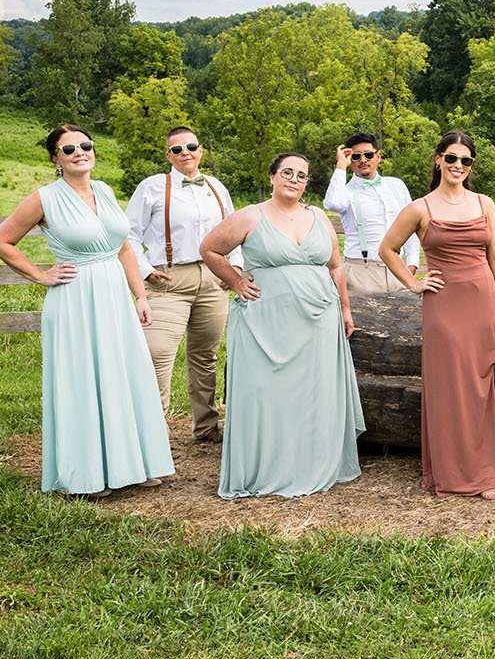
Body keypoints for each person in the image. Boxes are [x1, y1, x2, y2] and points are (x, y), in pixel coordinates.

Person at [0, 125, 174, 496]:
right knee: (83, 379)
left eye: (85, 145)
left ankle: (135, 465)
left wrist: (139, 296)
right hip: (75, 297)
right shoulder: (44, 198)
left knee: (125, 373)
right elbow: (1, 241)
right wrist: (40, 275)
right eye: (68, 148)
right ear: (55, 158)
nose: (79, 152)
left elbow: (123, 248)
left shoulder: (104, 191)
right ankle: (86, 474)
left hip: (115, 297)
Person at [201, 153, 363, 498]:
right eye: (287, 172)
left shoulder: (319, 216)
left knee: (312, 394)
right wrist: (235, 280)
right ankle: (268, 467)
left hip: (318, 320)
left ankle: (312, 463)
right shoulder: (250, 216)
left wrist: (345, 309)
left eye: (301, 175)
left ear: (307, 183)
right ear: (273, 176)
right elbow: (210, 250)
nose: (294, 179)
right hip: (266, 323)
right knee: (266, 392)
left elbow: (335, 266)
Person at [379, 132, 495, 499]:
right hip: (443, 304)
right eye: (451, 158)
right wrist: (414, 282)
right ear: (438, 159)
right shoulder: (420, 208)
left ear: (471, 166)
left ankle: (486, 473)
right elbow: (387, 249)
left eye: (465, 161)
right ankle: (451, 474)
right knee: (449, 387)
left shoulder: (484, 203)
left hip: (482, 301)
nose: (458, 166)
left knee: (481, 384)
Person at [124, 126, 238, 443]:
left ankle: (206, 426)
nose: (185, 152)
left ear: (200, 149)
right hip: (169, 278)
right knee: (157, 353)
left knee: (206, 355)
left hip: (213, 279)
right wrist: (146, 270)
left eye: (191, 146)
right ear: (168, 155)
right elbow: (127, 235)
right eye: (177, 149)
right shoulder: (152, 187)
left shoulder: (216, 187)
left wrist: (235, 267)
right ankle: (151, 434)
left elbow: (234, 231)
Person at [323, 132, 419, 296]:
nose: (363, 160)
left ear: (378, 157)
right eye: (356, 156)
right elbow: (333, 203)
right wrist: (340, 166)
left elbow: (411, 227)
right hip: (362, 271)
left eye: (368, 154)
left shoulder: (397, 185)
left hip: (399, 271)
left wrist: (412, 264)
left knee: (404, 321)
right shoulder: (346, 191)